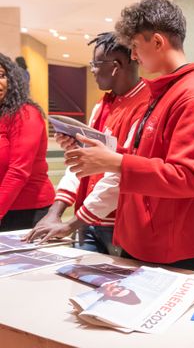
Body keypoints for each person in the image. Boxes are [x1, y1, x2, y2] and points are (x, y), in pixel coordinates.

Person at [63, 0, 194, 271]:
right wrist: (107, 154)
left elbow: (187, 177)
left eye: (135, 46)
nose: (134, 56)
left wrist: (116, 162)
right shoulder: (166, 91)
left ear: (158, 42)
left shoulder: (193, 96)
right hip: (145, 235)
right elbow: (147, 155)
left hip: (169, 243)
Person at [24, 32, 150, 255]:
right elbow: (86, 163)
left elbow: (121, 176)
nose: (91, 70)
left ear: (116, 65)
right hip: (87, 220)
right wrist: (56, 211)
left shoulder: (147, 105)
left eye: (95, 63)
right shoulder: (103, 104)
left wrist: (71, 223)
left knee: (116, 288)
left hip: (120, 224)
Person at [0, 53, 54, 231]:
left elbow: (18, 171)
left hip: (28, 212)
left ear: (13, 79)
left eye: (1, 75)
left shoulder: (26, 114)